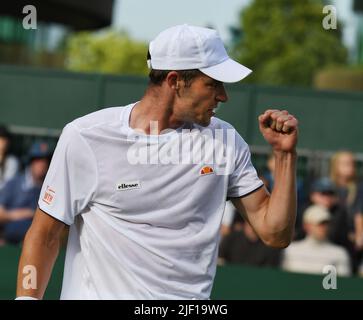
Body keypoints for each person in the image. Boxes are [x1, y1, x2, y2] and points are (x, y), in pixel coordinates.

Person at [16, 24, 299, 300]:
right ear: (174, 81)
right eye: (212, 84)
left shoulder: (226, 141)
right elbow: (45, 235)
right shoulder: (85, 137)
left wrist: (285, 156)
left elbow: (274, 234)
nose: (223, 95)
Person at [0, 141, 51, 244]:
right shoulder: (14, 184)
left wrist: (33, 214)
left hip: (38, 245)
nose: (42, 164)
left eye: (45, 161)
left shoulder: (51, 189)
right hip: (8, 242)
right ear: (30, 162)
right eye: (37, 160)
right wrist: (24, 213)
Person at [282, 205, 351, 276]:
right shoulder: (291, 250)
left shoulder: (339, 253)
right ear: (306, 226)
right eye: (320, 224)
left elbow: (343, 284)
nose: (324, 228)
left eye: (326, 224)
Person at [0, 125, 19, 191]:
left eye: (5, 139)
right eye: (1, 138)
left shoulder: (12, 161)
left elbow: (7, 186)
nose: (3, 142)